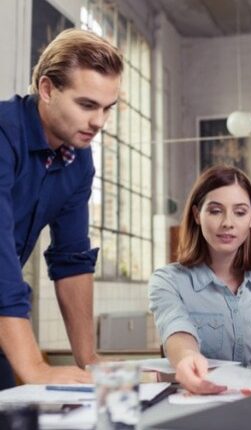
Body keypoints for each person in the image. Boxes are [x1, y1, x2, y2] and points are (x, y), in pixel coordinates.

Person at [0, 28, 123, 388]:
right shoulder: (4, 135)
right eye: (87, 105)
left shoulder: (78, 161)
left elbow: (72, 259)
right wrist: (34, 367)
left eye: (107, 108)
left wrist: (88, 360)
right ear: (47, 89)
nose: (99, 122)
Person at [148, 166, 251, 394]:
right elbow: (176, 329)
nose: (227, 223)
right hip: (197, 402)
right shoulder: (168, 280)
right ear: (196, 215)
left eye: (240, 212)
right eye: (215, 211)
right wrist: (188, 357)